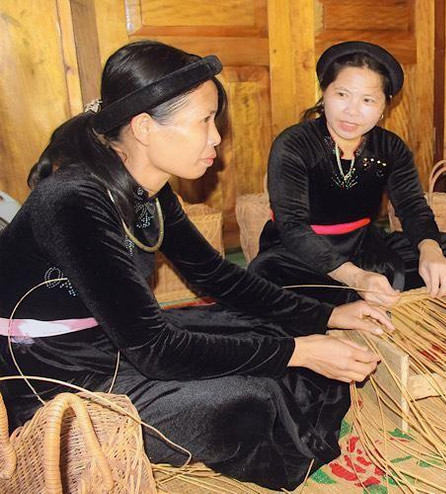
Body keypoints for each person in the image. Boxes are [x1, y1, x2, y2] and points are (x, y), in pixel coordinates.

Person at [0, 40, 396, 490]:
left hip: (114, 342)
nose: (216, 138)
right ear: (145, 127)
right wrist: (300, 350)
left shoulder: (146, 184)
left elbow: (216, 274)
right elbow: (156, 349)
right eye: (205, 121)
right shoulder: (73, 200)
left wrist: (326, 315)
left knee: (267, 333)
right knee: (252, 397)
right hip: (55, 377)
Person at [247, 41, 446, 307]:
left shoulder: (391, 148)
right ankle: (369, 299)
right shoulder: (294, 144)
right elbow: (293, 227)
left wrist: (430, 250)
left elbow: (412, 207)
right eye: (342, 95)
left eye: (367, 100)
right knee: (268, 277)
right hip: (299, 253)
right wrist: (354, 277)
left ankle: (360, 301)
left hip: (363, 246)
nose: (352, 111)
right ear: (324, 93)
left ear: (383, 107)